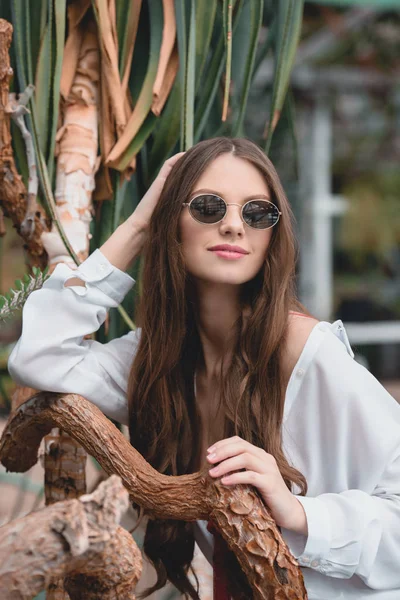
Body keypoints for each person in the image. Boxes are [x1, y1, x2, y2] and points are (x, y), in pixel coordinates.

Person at [8, 137, 400, 600]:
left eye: (257, 213)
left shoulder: (307, 354)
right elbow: (39, 356)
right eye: (209, 207)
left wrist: (298, 512)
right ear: (169, 221)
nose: (234, 226)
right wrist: (138, 225)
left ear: (273, 233)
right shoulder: (158, 362)